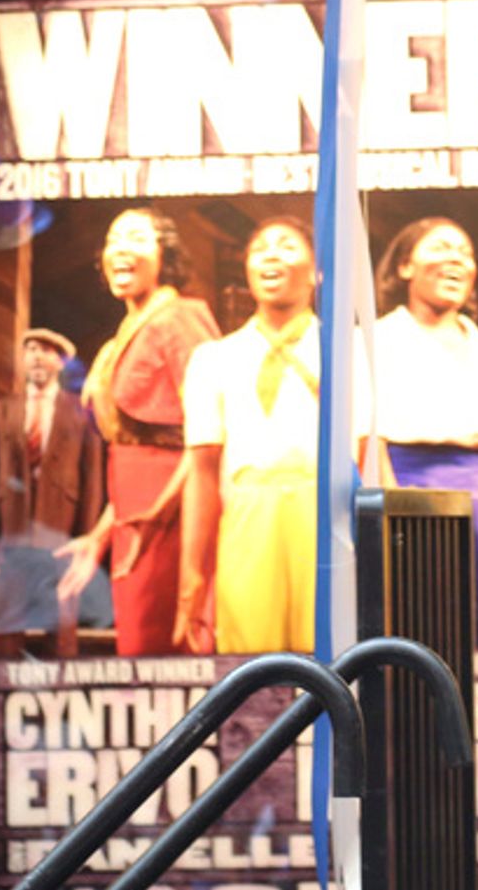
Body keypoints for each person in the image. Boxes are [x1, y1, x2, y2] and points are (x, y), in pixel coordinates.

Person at [57, 208, 219, 656]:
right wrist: (100, 536)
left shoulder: (180, 318)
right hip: (133, 512)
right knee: (138, 645)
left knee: (168, 645)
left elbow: (209, 431)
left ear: (165, 254)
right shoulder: (127, 332)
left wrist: (158, 513)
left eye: (136, 237)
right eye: (114, 239)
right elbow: (128, 453)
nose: (121, 248)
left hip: (174, 513)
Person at [177, 217, 332, 655]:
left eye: (287, 245)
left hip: (324, 519)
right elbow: (202, 473)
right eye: (260, 248)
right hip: (248, 517)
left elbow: (365, 454)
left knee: (328, 660)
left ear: (316, 270)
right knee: (251, 660)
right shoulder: (214, 358)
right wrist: (192, 575)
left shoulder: (345, 348)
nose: (272, 254)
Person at [374, 217, 478, 648]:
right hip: (406, 502)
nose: (456, 259)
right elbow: (368, 445)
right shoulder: (375, 341)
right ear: (405, 266)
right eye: (441, 247)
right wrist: (391, 530)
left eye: (465, 253)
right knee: (414, 639)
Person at [0, 327, 108, 653]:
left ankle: (61, 676)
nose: (37, 357)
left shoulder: (81, 411)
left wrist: (86, 537)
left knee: (62, 626)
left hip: (62, 533)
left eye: (46, 350)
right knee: (7, 626)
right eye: (30, 349)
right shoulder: (1, 411)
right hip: (12, 534)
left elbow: (92, 479)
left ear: (60, 361)